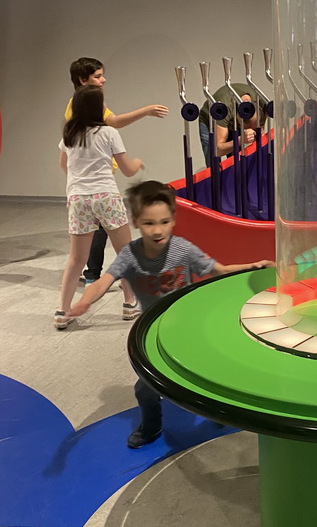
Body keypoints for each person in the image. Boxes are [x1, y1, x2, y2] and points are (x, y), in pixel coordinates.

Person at [66, 179, 273, 447]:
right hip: (154, 333)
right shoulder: (130, 255)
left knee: (210, 374)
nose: (157, 230)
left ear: (173, 220)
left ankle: (217, 412)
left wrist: (253, 265)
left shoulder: (183, 249)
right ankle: (151, 427)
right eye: (149, 223)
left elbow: (218, 270)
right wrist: (84, 301)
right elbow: (104, 281)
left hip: (190, 326)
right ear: (136, 222)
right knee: (145, 388)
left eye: (164, 222)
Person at [66, 57, 168, 285]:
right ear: (83, 80)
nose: (104, 80)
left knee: (91, 239)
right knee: (118, 244)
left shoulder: (80, 119)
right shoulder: (86, 114)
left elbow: (66, 160)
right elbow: (114, 124)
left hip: (85, 189)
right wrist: (146, 111)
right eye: (98, 76)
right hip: (99, 188)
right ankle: (124, 292)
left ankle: (90, 280)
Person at [55, 85, 145, 330]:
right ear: (98, 107)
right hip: (106, 196)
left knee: (76, 258)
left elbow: (65, 166)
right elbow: (126, 169)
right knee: (124, 252)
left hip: (78, 199)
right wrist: (137, 164)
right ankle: (129, 304)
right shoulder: (109, 133)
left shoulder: (69, 135)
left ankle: (62, 311)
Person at [198, 85, 267, 164]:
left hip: (234, 118)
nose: (251, 131)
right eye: (246, 128)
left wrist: (257, 134)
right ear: (238, 120)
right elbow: (218, 150)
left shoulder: (262, 105)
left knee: (239, 162)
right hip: (209, 119)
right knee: (212, 161)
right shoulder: (224, 110)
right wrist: (240, 140)